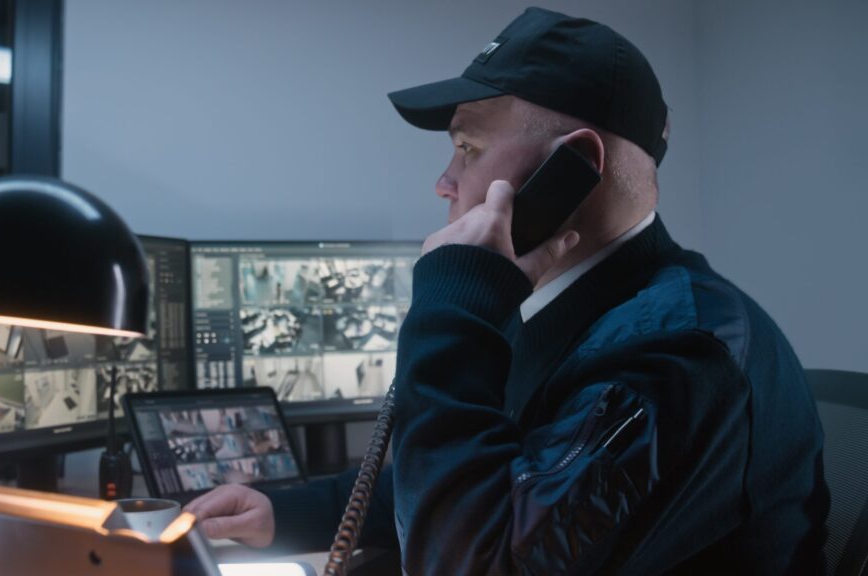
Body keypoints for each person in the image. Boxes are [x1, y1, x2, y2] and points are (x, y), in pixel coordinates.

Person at [184, 7, 829, 574]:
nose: (444, 180)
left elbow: (470, 558)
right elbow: (490, 478)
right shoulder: (583, 306)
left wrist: (451, 307)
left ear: (574, 167)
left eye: (467, 146)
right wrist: (282, 513)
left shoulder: (676, 355)